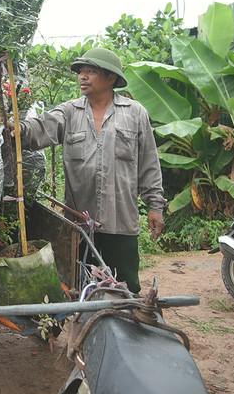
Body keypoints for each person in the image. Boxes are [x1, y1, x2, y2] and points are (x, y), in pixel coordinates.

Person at [12, 47, 164, 294]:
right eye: (81, 72)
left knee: (126, 286)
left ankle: (126, 326)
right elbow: (38, 129)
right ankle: (90, 328)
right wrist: (17, 130)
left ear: (111, 78)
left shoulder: (135, 114)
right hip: (80, 223)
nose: (83, 76)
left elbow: (148, 163)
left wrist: (155, 206)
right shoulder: (69, 112)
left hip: (121, 221)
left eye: (91, 71)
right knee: (83, 284)